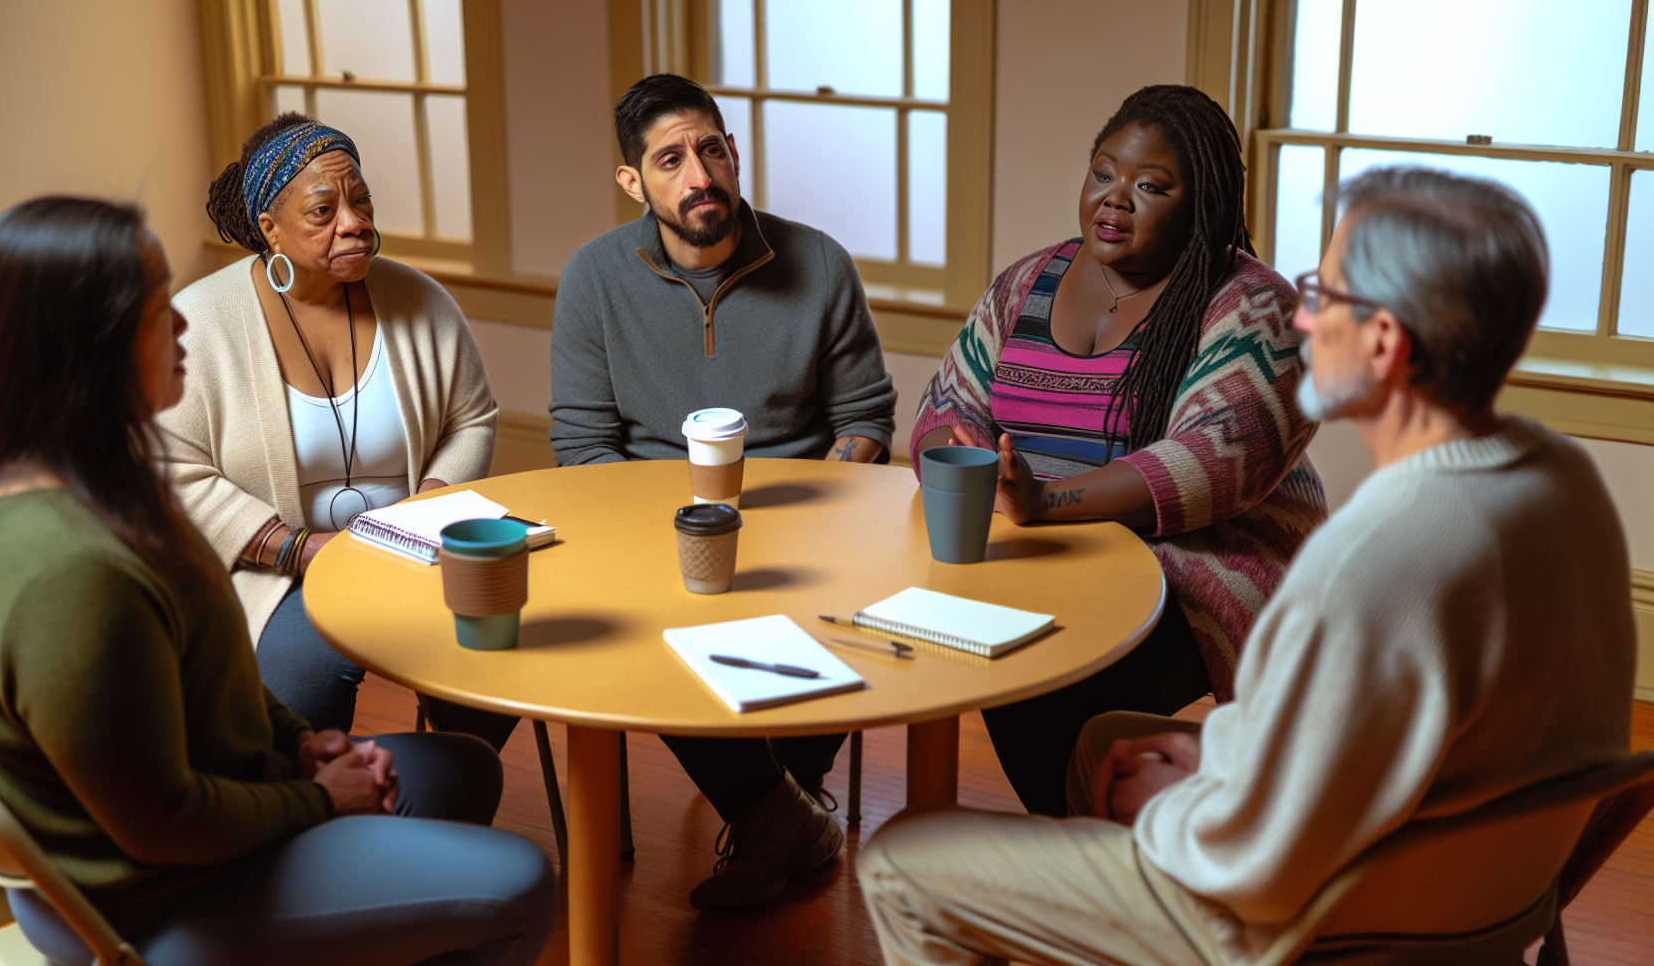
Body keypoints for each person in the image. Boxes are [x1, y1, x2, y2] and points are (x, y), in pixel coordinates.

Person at [857, 167, 1636, 966]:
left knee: (901, 858)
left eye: (1323, 295)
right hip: (1479, 885)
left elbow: (1251, 867)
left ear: (1383, 343)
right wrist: (1221, 757)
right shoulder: (1561, 480)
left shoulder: (1375, 557)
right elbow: (1341, 734)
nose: (1300, 317)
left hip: (1302, 923)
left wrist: (1179, 804)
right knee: (1106, 741)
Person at [0, 197, 555, 966]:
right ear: (87, 345)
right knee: (522, 881)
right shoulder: (69, 577)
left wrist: (305, 744)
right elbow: (163, 824)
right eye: (158, 306)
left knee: (462, 769)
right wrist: (319, 796)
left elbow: (215, 688)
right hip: (155, 897)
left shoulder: (92, 481)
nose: (184, 323)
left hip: (206, 818)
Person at [910, 85, 1325, 815]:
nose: (1115, 200)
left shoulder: (1254, 306)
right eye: (1103, 174)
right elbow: (946, 406)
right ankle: (1081, 846)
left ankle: (1099, 857)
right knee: (985, 647)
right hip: (1040, 558)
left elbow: (1213, 460)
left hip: (1203, 567)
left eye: (1150, 187)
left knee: (1045, 676)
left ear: (1204, 205)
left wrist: (1045, 502)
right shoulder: (1027, 283)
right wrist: (965, 458)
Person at [549, 73, 898, 908]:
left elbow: (866, 422)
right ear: (635, 183)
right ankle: (783, 810)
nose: (699, 175)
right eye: (670, 159)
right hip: (655, 527)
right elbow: (584, 445)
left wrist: (817, 506)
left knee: (858, 593)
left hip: (809, 521)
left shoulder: (817, 262)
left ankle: (779, 800)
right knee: (643, 617)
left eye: (711, 149)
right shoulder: (594, 278)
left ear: (734, 155)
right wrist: (684, 526)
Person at [158, 113, 517, 747]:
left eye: (361, 199)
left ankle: (455, 780)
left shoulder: (421, 301)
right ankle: (321, 820)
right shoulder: (202, 321)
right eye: (323, 210)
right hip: (279, 572)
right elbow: (173, 470)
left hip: (419, 553)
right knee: (299, 695)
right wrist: (299, 549)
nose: (354, 221)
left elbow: (472, 417)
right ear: (268, 227)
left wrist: (429, 507)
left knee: (498, 648)